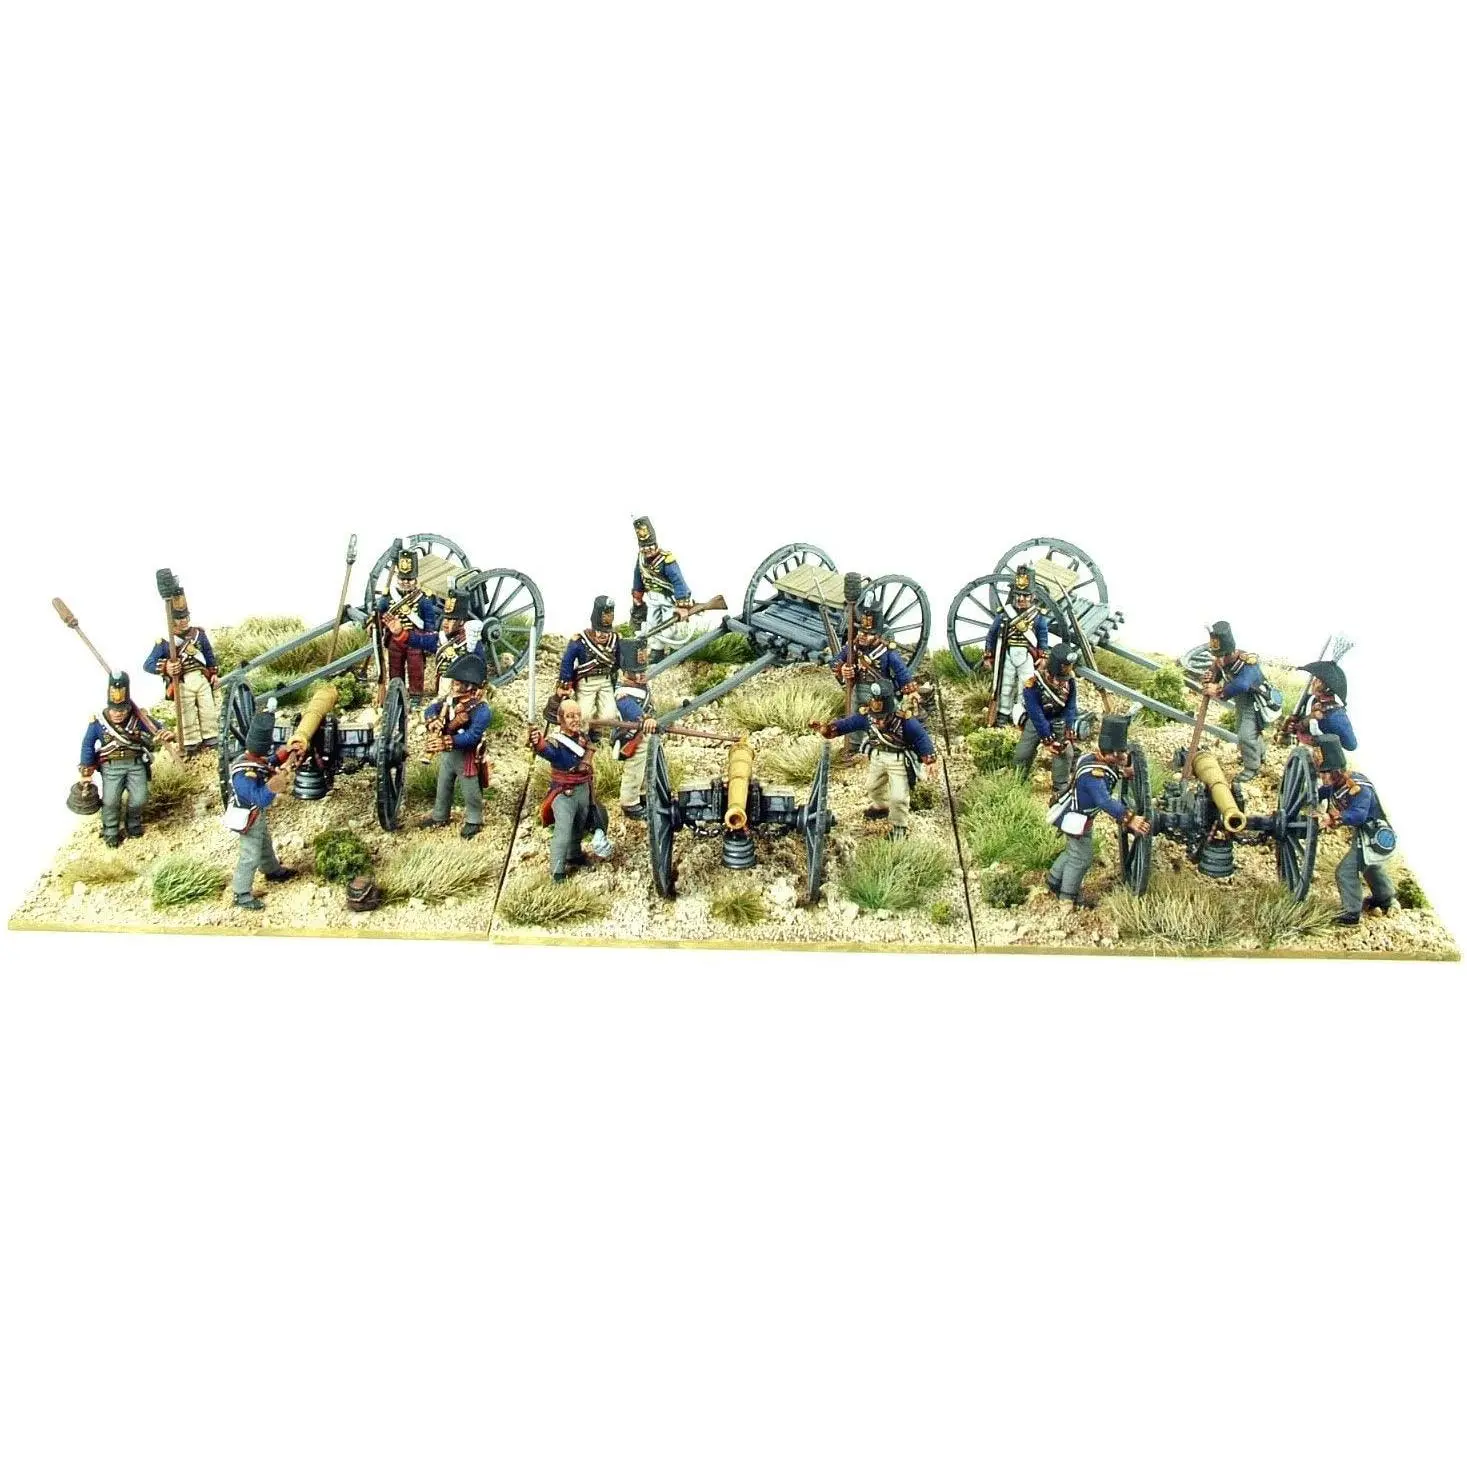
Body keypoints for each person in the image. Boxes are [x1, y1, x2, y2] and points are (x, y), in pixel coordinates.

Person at [1046, 713, 1150, 908]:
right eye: (1119, 754)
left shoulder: (1092, 758)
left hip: (1079, 816)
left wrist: (1123, 772)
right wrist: (1129, 818)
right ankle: (1067, 896)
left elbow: (1109, 773)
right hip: (1077, 819)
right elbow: (1104, 801)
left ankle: (1054, 880)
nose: (1123, 757)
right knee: (1081, 858)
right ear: (1111, 753)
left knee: (1072, 852)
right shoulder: (1095, 775)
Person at [812, 678, 937, 840]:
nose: (879, 721)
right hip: (877, 757)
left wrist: (930, 760)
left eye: (882, 717)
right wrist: (828, 729)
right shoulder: (867, 717)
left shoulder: (905, 721)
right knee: (872, 786)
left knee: (899, 797)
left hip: (898, 761)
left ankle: (899, 826)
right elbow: (847, 724)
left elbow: (921, 738)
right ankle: (881, 806)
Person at [1315, 733, 1396, 925]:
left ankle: (1351, 913)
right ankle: (1385, 898)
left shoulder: (1359, 787)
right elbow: (1323, 792)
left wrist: (1333, 817)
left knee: (1345, 872)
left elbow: (1358, 815)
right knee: (1370, 866)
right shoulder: (1337, 784)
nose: (1322, 777)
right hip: (1364, 834)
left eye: (1325, 773)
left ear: (1336, 772)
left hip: (1373, 834)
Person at [79, 672, 165, 847]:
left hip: (136, 765)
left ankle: (133, 826)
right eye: (114, 710)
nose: (117, 714)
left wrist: (164, 733)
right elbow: (87, 745)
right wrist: (86, 771)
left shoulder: (138, 718)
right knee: (110, 802)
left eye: (122, 710)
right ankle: (110, 832)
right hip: (111, 768)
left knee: (140, 799)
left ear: (128, 708)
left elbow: (156, 728)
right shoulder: (98, 722)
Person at [225, 711, 301, 909]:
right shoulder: (244, 774)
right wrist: (275, 784)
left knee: (264, 843)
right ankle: (241, 893)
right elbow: (259, 798)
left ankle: (271, 869)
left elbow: (266, 764)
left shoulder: (251, 760)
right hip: (247, 816)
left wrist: (284, 754)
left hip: (255, 814)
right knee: (250, 855)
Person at [529, 700, 610, 880]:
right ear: (560, 719)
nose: (575, 719)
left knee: (579, 826)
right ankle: (557, 871)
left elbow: (590, 747)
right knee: (563, 832)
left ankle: (574, 855)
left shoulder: (582, 737)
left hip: (584, 790)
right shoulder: (555, 742)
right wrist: (537, 742)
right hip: (564, 793)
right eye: (570, 716)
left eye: (577, 715)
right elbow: (546, 751)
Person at [419, 653, 494, 840]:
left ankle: (474, 820)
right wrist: (433, 721)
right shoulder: (450, 701)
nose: (453, 686)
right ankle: (440, 816)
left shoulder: (481, 709)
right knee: (443, 785)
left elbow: (472, 736)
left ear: (470, 686)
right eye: (454, 683)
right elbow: (431, 709)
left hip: (466, 756)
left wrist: (446, 741)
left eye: (458, 683)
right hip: (448, 755)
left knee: (470, 790)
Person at [143, 581, 219, 755]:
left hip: (201, 678)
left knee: (208, 710)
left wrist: (214, 673)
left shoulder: (199, 634)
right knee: (187, 715)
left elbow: (208, 654)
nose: (183, 621)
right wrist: (167, 667)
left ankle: (211, 740)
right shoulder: (165, 641)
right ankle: (191, 743)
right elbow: (148, 664)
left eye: (185, 617)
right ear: (172, 620)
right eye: (179, 618)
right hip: (182, 683)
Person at [1198, 620, 1267, 782]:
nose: (1220, 660)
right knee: (1246, 730)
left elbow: (1242, 684)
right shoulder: (1221, 660)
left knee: (1246, 735)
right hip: (1241, 702)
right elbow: (1215, 671)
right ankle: (1259, 755)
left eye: (1223, 656)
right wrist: (1209, 677)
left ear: (1231, 651)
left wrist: (1218, 690)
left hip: (1255, 703)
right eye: (1217, 656)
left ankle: (1252, 767)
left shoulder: (1247, 663)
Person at [983, 565, 1050, 722]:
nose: (1021, 599)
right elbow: (991, 635)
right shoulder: (1005, 614)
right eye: (1018, 595)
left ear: (1032, 597)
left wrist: (1043, 657)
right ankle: (1003, 713)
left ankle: (1021, 715)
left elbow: (1043, 639)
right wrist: (988, 656)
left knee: (1025, 687)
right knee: (1005, 686)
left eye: (1025, 596)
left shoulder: (1037, 617)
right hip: (1007, 655)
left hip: (1027, 656)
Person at [1014, 642, 1081, 794]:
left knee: (1065, 752)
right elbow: (1035, 712)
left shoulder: (1070, 681)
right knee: (1023, 753)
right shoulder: (1033, 684)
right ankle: (1017, 780)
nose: (1062, 681)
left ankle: (1060, 786)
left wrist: (1068, 726)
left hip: (1058, 721)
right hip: (1037, 723)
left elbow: (1070, 706)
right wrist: (1046, 736)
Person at [377, 547, 442, 700]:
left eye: (409, 579)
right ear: (397, 578)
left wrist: (428, 639)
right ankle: (396, 693)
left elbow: (429, 622)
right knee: (395, 667)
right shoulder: (389, 597)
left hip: (415, 639)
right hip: (395, 639)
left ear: (415, 580)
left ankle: (415, 695)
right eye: (402, 579)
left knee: (415, 668)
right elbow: (380, 613)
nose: (405, 582)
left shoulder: (424, 599)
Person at [629, 516, 696, 655]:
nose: (647, 550)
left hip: (668, 598)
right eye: (644, 547)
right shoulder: (641, 559)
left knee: (670, 626)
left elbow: (678, 581)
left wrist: (682, 605)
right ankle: (657, 652)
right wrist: (637, 596)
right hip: (651, 599)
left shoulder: (666, 559)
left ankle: (677, 652)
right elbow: (638, 577)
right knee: (652, 625)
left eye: (649, 546)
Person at [405, 585, 485, 700]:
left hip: (463, 691)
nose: (445, 623)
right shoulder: (442, 639)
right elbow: (421, 641)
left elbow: (480, 665)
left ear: (461, 622)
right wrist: (401, 634)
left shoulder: (470, 642)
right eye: (445, 618)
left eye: (451, 619)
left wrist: (480, 686)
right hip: (444, 689)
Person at [833, 601, 918, 702]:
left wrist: (911, 691)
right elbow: (835, 662)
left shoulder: (886, 651)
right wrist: (843, 668)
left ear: (877, 636)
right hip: (857, 692)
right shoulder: (853, 647)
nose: (862, 636)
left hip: (881, 693)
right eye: (861, 632)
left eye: (868, 634)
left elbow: (901, 672)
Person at [612, 637, 658, 820]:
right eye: (635, 672)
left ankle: (643, 795)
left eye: (642, 671)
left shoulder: (642, 686)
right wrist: (645, 718)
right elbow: (628, 708)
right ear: (625, 672)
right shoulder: (621, 692)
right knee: (634, 769)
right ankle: (629, 803)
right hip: (631, 737)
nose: (640, 676)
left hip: (646, 734)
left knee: (647, 767)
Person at [557, 597, 621, 725]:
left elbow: (619, 660)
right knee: (584, 714)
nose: (603, 635)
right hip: (586, 683)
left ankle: (597, 732)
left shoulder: (615, 639)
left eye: (606, 632)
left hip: (606, 680)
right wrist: (565, 681)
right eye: (599, 631)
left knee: (609, 715)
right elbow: (567, 661)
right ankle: (583, 734)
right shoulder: (580, 640)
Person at [1287, 660, 1356, 751]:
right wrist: (1294, 726)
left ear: (1326, 688)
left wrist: (1322, 739)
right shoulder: (1309, 699)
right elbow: (1297, 725)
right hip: (1299, 753)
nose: (1313, 682)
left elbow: (1351, 745)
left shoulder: (1336, 716)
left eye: (1318, 680)